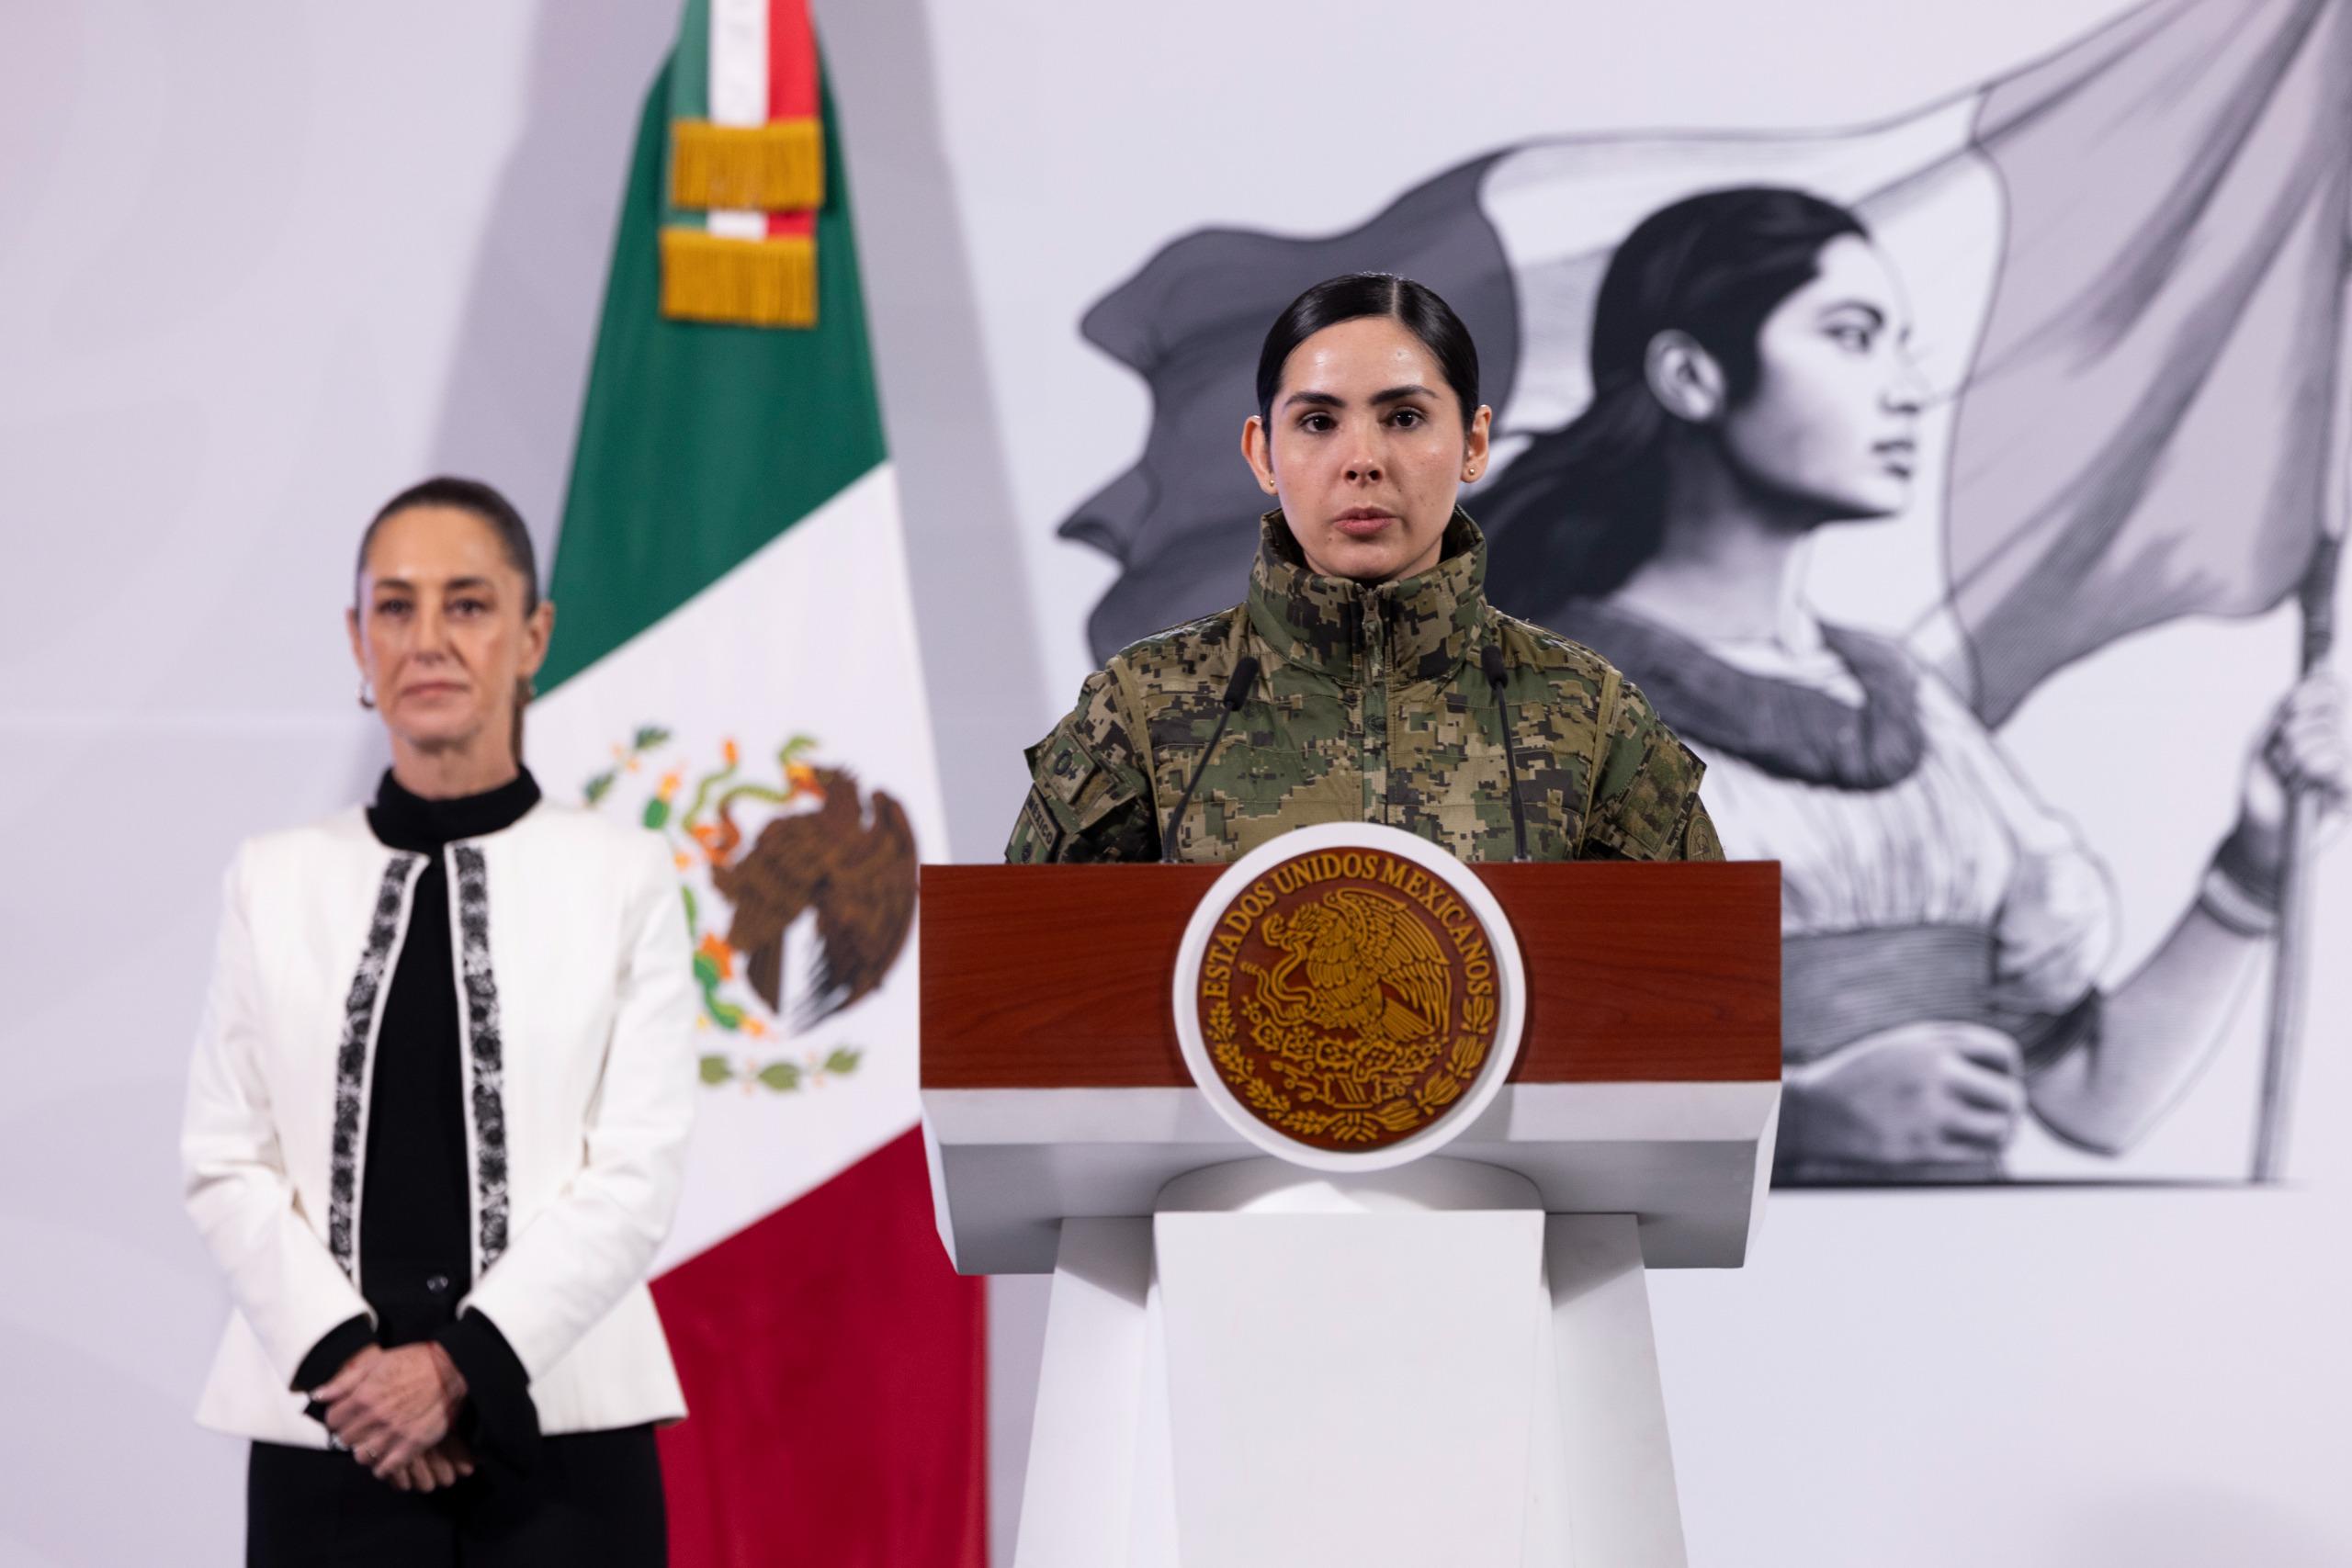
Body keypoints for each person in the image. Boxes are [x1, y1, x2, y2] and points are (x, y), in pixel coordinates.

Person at [1478, 187, 2347, 1182]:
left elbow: (2091, 1099)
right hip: (1717, 1312)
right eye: (1851, 337)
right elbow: (1475, 1104)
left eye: (1900, 343)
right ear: (1691, 375)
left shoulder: (1911, 705)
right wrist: (1795, 1124)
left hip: (1955, 1302)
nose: (1904, 389)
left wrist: (2254, 861)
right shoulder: (1552, 709)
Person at [181, 477, 695, 1564]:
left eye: (467, 604)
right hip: (330, 1439)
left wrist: (457, 1369)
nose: (428, 640)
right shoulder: (272, 881)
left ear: (533, 634)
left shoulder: (623, 875)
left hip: (568, 1443)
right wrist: (356, 1375)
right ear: (356, 639)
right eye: (395, 607)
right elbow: (225, 1158)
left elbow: (636, 1169)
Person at [1006, 271, 1721, 867]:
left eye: (1404, 417)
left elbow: (1705, 989)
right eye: (1318, 422)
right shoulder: (1142, 709)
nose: (1362, 459)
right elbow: (1021, 986)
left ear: (1474, 441)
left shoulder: (1589, 714)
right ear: (1262, 454)